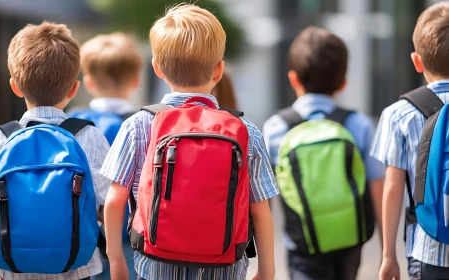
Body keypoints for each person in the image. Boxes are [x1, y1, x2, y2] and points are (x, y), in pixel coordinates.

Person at [100, 4, 278, 280]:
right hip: (224, 269)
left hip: (156, 266)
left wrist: (116, 262)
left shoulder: (138, 125)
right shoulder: (246, 131)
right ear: (219, 71)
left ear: (157, 68)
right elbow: (261, 209)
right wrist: (267, 271)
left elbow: (114, 202)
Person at [0, 22, 110, 280]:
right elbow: (110, 207)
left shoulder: (2, 138)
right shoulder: (88, 136)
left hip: (15, 268)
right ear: (73, 89)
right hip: (76, 268)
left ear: (15, 86)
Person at [263, 26, 385, 280]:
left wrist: (264, 257)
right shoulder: (357, 124)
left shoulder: (277, 127)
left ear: (293, 79)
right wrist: (387, 252)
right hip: (350, 237)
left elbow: (265, 196)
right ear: (343, 83)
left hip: (301, 241)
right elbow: (377, 186)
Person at [372, 2, 449, 279]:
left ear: (417, 61)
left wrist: (388, 256)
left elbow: (392, 188)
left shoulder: (398, 114)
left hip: (426, 248)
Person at [68, 32, 142, 280]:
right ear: (135, 81)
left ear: (88, 82)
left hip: (83, 236)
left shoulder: (73, 122)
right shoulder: (144, 122)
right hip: (131, 237)